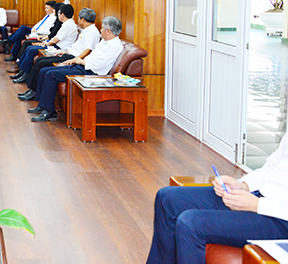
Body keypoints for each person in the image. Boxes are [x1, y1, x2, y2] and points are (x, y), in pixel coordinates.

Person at [146, 135, 288, 264]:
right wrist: (243, 185)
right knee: (167, 199)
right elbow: (271, 168)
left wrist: (257, 205)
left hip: (280, 218)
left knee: (190, 223)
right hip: (262, 199)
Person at [30, 16, 124, 122]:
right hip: (82, 66)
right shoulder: (104, 42)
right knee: (44, 71)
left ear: (108, 31)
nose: (100, 30)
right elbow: (92, 56)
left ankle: (49, 112)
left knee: (50, 75)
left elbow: (101, 64)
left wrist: (81, 61)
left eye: (102, 28)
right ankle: (42, 106)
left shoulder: (115, 46)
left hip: (90, 72)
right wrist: (75, 60)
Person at [19, 8, 100, 101]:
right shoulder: (86, 30)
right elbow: (77, 48)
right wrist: (65, 52)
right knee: (40, 60)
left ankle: (34, 92)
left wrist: (74, 60)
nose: (77, 21)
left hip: (73, 58)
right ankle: (32, 90)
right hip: (68, 54)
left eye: (79, 19)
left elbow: (88, 50)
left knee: (41, 63)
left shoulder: (92, 32)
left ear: (83, 20)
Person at [11, 3, 78, 83]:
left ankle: (25, 75)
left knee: (31, 50)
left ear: (62, 15)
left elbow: (55, 40)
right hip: (55, 46)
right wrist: (46, 42)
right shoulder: (67, 23)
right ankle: (23, 73)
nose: (57, 15)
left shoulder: (68, 25)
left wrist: (45, 43)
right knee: (29, 48)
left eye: (59, 13)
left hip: (59, 49)